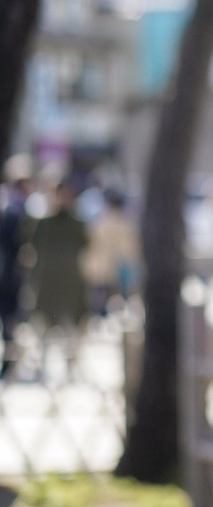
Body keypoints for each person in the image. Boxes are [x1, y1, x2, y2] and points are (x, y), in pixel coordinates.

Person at [28, 180, 90, 329]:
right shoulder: (44, 223)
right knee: (46, 317)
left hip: (68, 275)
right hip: (50, 274)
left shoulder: (76, 223)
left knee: (69, 316)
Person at [82, 187, 140, 315]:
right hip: (117, 270)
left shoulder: (99, 222)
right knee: (118, 306)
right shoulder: (125, 224)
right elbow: (130, 250)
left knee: (102, 306)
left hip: (103, 270)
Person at [0, 159, 34, 378]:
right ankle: (10, 360)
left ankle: (10, 359)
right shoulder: (16, 209)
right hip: (9, 272)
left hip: (9, 271)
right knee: (10, 318)